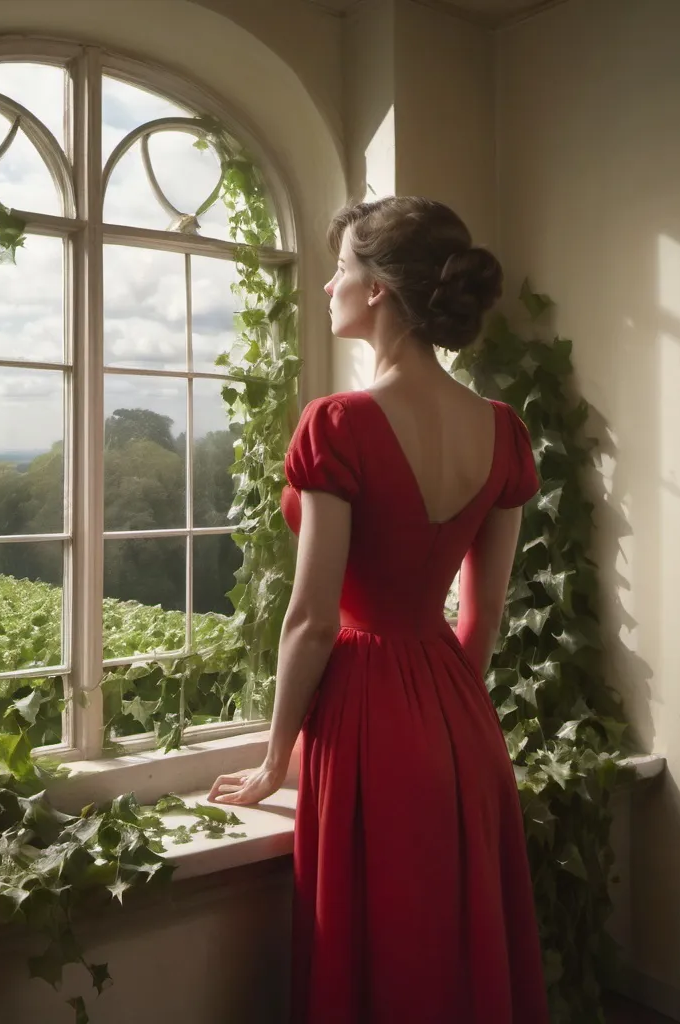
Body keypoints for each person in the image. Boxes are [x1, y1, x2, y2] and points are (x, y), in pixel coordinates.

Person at [207, 196, 549, 1022]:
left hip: (363, 717)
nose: (328, 284)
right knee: (453, 951)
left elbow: (313, 619)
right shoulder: (503, 431)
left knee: (380, 953)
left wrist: (273, 758)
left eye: (343, 268)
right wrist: (441, 710)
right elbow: (487, 608)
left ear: (379, 294)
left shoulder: (340, 425)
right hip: (461, 723)